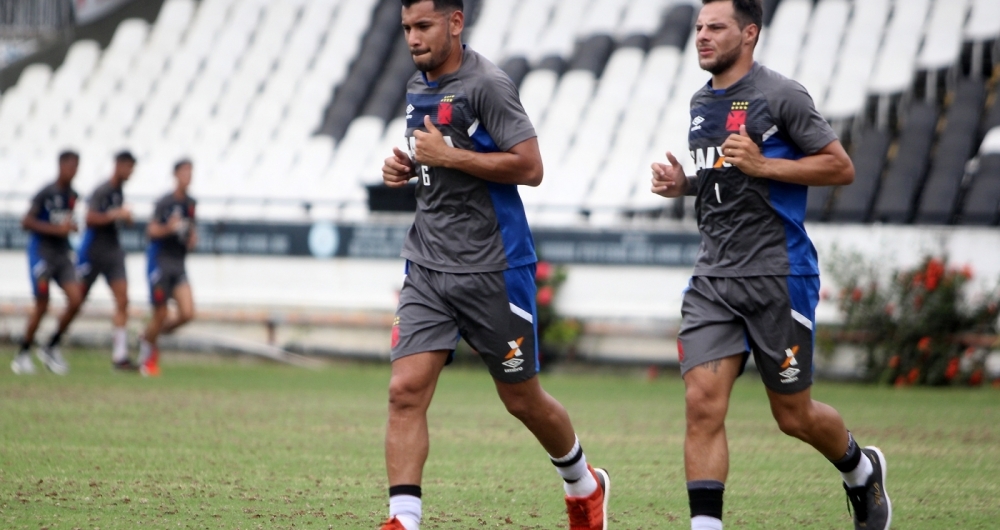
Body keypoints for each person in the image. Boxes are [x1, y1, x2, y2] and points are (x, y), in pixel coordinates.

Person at [650, 1, 890, 529]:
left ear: (750, 33)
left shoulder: (781, 94)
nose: (703, 37)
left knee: (793, 416)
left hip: (779, 276)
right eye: (698, 28)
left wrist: (766, 164)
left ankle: (859, 468)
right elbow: (726, 175)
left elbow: (840, 167)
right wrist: (683, 185)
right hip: (713, 278)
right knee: (702, 403)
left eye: (716, 28)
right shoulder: (699, 101)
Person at [378, 1, 609, 529]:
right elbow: (439, 160)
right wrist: (408, 168)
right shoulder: (418, 87)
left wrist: (448, 157)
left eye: (423, 26)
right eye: (407, 28)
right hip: (429, 264)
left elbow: (530, 168)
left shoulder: (488, 84)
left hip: (493, 266)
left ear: (455, 22)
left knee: (522, 399)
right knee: (405, 389)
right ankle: (403, 519)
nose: (413, 39)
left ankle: (584, 484)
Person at [11, 151, 85, 376]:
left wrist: (70, 228)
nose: (73, 170)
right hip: (41, 253)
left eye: (76, 166)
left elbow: (68, 223)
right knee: (42, 303)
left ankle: (50, 346)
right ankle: (23, 353)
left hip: (62, 255)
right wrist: (57, 229)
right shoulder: (46, 192)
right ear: (61, 165)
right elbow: (26, 222)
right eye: (70, 165)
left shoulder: (73, 195)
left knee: (76, 299)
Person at [78, 151, 138, 371]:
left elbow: (119, 219)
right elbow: (90, 218)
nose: (131, 172)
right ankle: (51, 342)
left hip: (113, 253)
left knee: (123, 300)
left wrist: (126, 217)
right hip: (93, 253)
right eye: (129, 167)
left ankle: (120, 356)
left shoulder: (118, 191)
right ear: (119, 165)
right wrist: (115, 215)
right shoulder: (102, 190)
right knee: (76, 301)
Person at [138, 160, 197, 377]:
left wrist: (192, 238)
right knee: (161, 313)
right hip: (160, 262)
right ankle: (147, 357)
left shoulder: (190, 203)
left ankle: (148, 335)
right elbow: (151, 231)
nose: (188, 175)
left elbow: (190, 230)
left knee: (187, 313)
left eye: (191, 171)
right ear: (175, 174)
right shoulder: (165, 202)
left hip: (178, 263)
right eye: (185, 171)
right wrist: (169, 228)